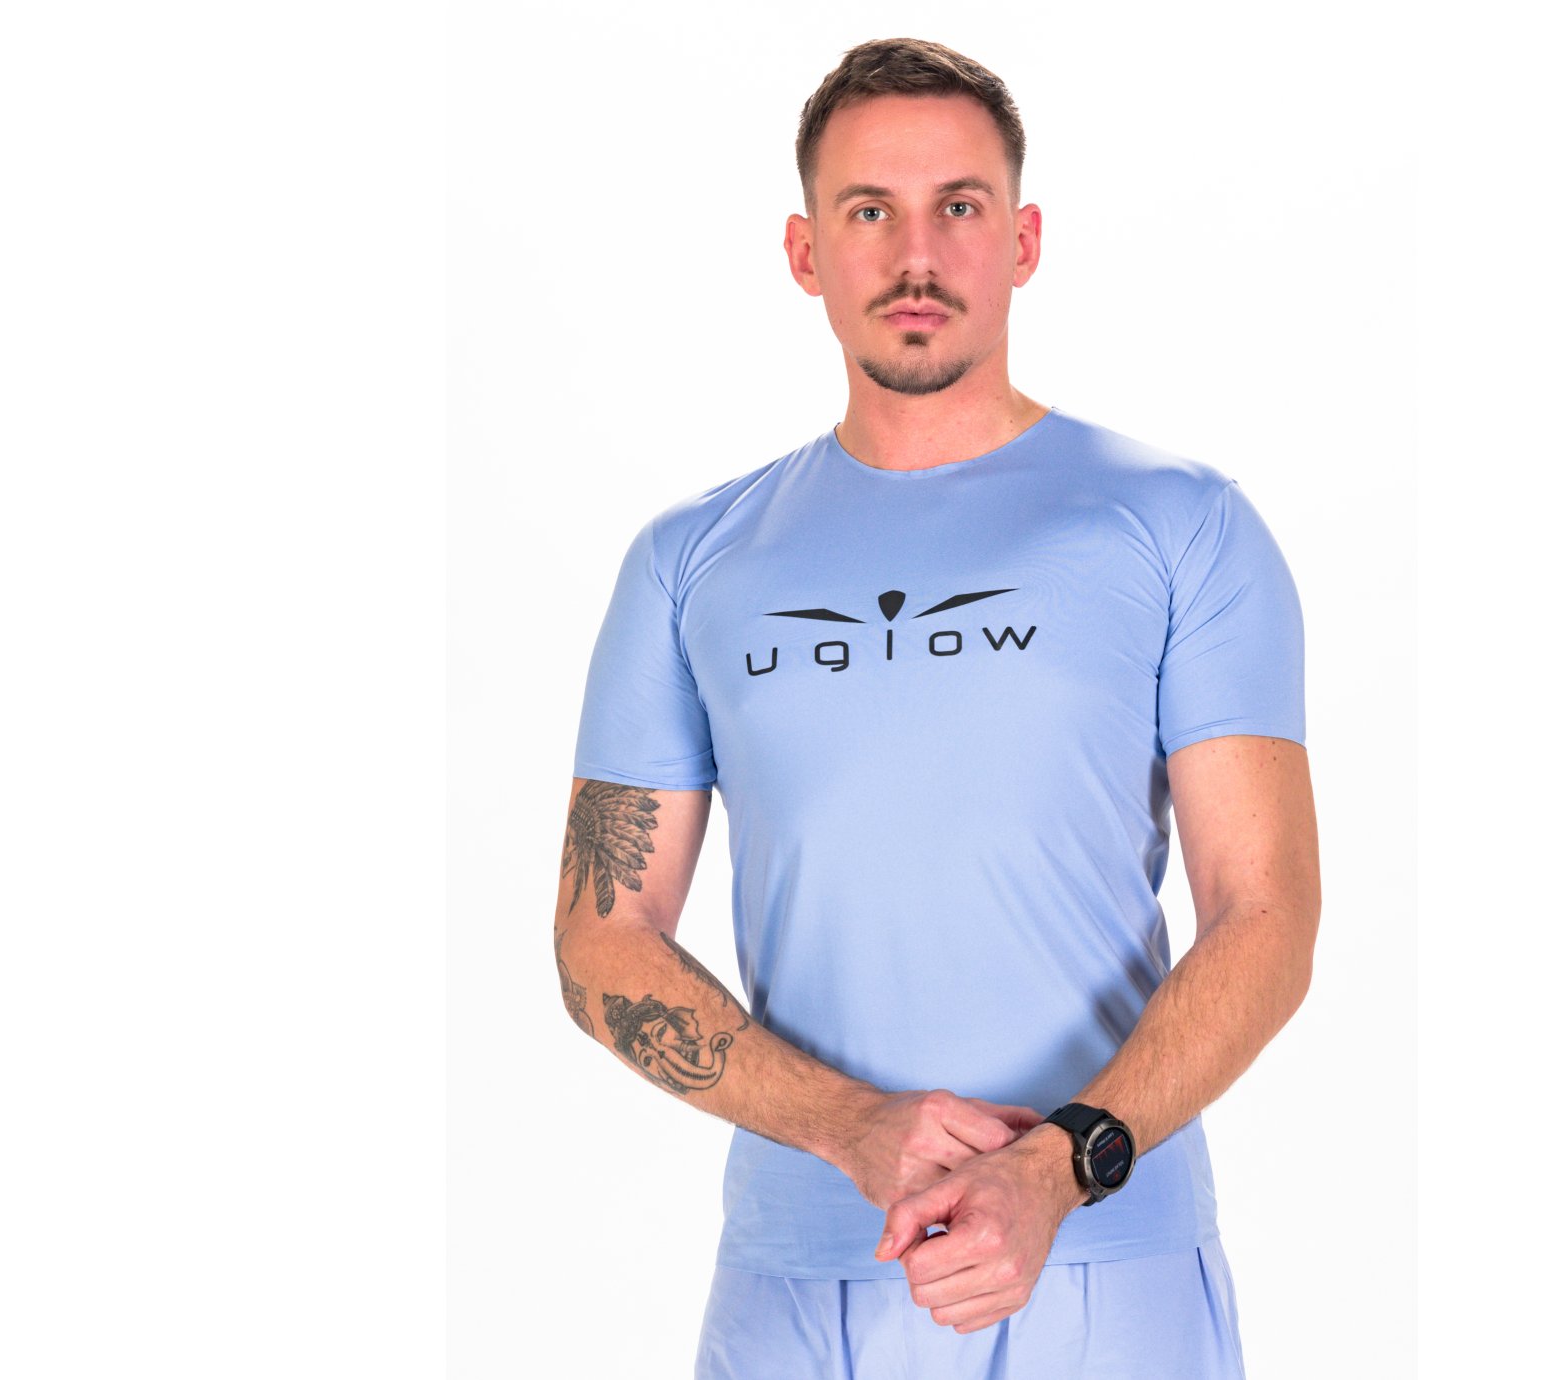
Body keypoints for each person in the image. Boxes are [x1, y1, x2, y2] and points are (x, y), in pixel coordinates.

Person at [552, 36, 1321, 1379]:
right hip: (798, 1285)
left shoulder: (1180, 524)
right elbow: (598, 940)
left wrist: (1057, 1166)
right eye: (870, 211)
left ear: (1022, 241)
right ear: (805, 253)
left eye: (958, 206)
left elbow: (1267, 914)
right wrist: (850, 1127)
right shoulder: (691, 562)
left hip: (1106, 1274)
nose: (917, 255)